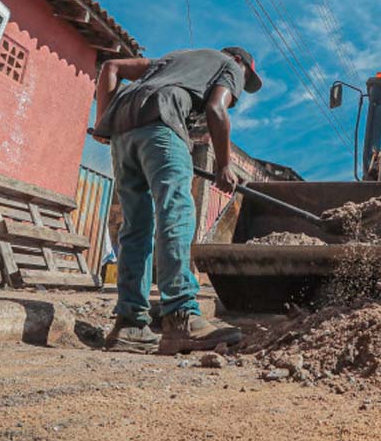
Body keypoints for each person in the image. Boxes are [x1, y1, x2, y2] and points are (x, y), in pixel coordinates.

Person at [92, 46, 262, 354]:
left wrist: (103, 120)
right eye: (245, 79)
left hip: (122, 129)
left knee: (136, 225)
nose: (240, 89)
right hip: (161, 122)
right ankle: (181, 316)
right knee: (176, 212)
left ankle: (129, 325)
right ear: (241, 62)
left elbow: (111, 67)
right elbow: (217, 110)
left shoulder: (169, 61)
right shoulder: (230, 65)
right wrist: (224, 165)